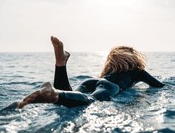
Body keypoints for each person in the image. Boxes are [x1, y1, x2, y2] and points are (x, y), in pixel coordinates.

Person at [18, 36, 164, 109]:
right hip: (110, 87)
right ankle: (54, 94)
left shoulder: (110, 70)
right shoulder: (137, 70)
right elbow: (157, 85)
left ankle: (60, 64)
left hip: (91, 81)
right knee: (90, 101)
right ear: (133, 58)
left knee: (68, 97)